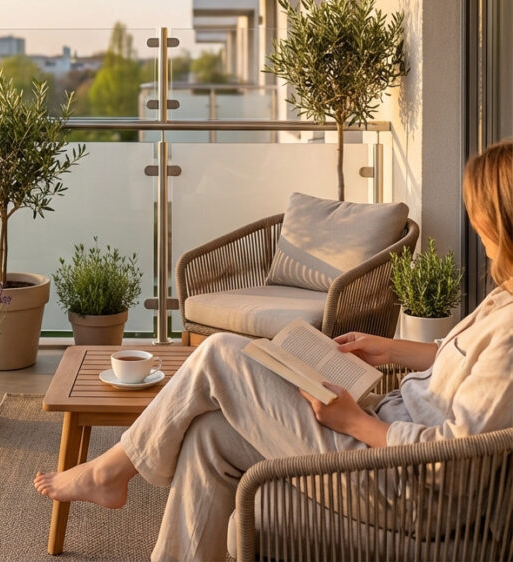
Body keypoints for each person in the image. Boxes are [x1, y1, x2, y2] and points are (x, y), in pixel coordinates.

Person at [34, 139, 513, 562]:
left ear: (499, 220)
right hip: (389, 443)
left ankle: (111, 470)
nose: (471, 222)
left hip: (406, 485)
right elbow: (461, 362)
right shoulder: (505, 296)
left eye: (477, 211)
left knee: (222, 354)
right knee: (209, 434)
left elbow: (456, 456)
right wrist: (389, 348)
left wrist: (356, 424)